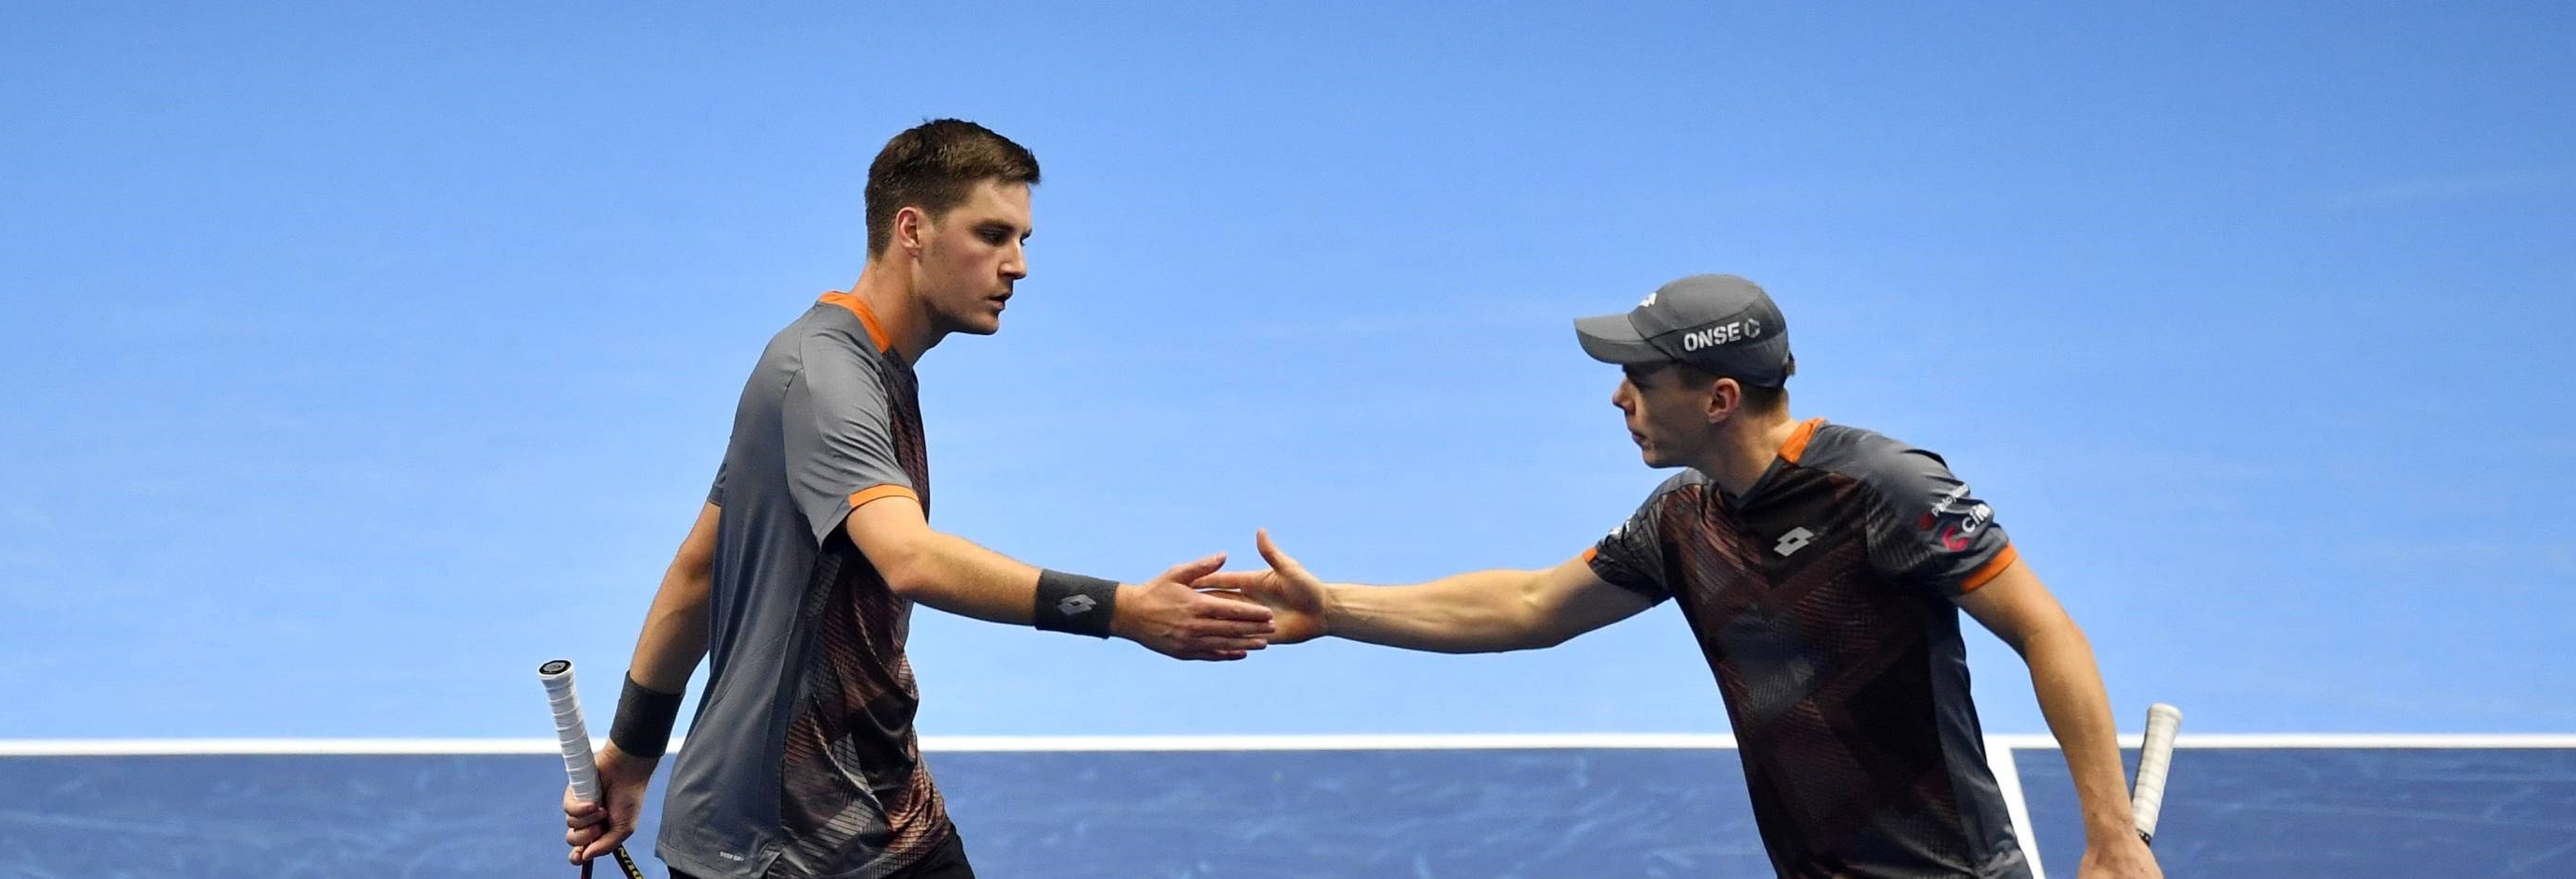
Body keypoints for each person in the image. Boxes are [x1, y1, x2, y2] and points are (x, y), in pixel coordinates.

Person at [1201, 273, 2166, 879]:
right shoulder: (1683, 519)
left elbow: (2047, 632)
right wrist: (1333, 609)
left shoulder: (1876, 487)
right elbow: (1531, 606)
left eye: (1640, 379)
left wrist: (2110, 836)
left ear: (1717, 397)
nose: (1618, 397)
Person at [561, 119, 1275, 879]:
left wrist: (632, 753)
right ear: (913, 229)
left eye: (1023, 238)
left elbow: (701, 569)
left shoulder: (851, 365)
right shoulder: (823, 379)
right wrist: (1121, 609)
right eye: (993, 234)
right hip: (781, 848)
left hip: (880, 810)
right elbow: (907, 557)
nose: (1019, 265)